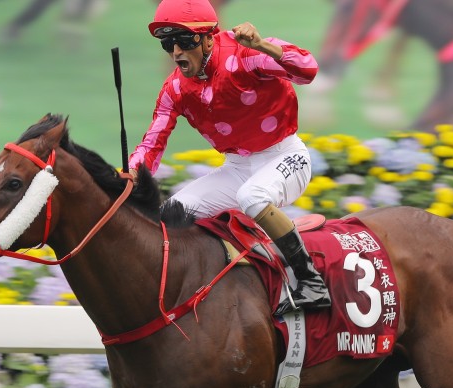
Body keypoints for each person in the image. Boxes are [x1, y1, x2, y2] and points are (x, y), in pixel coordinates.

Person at [128, 0, 330, 315]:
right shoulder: (174, 89)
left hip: (286, 156)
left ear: (209, 37)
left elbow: (308, 69)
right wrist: (129, 177)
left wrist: (262, 45)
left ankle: (311, 281)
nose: (177, 51)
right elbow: (152, 144)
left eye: (184, 41)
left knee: (251, 196)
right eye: (169, 43)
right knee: (172, 213)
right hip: (237, 168)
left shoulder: (245, 53)